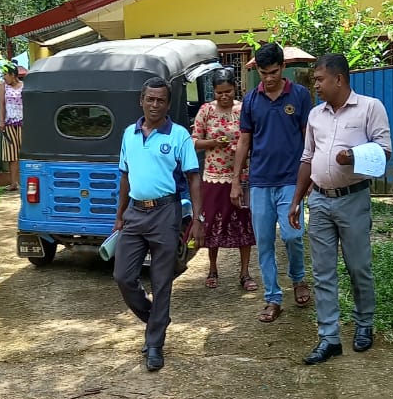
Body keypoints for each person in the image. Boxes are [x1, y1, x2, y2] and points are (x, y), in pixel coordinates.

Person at [288, 52, 392, 364]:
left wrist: (353, 157)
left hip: (353, 199)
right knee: (322, 272)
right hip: (319, 200)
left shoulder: (370, 108)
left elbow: (384, 153)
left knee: (359, 267)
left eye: (319, 80)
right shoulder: (315, 116)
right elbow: (307, 158)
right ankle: (329, 337)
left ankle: (364, 325)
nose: (315, 85)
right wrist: (297, 200)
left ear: (339, 79)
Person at [113, 76, 205, 372]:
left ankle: (154, 344)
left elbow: (193, 177)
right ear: (141, 100)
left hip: (166, 213)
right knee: (123, 277)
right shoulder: (129, 133)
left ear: (168, 104)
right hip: (135, 215)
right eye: (150, 99)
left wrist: (199, 220)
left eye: (161, 100)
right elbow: (125, 176)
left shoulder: (178, 136)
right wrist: (119, 215)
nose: (155, 105)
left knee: (161, 280)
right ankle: (157, 319)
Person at [231, 42, 312, 322]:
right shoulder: (251, 100)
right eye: (263, 73)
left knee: (292, 235)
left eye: (273, 72)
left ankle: (299, 279)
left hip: (291, 179)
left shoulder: (300, 96)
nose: (268, 78)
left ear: (284, 67)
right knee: (264, 241)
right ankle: (273, 297)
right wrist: (236, 181)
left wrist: (309, 175)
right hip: (260, 182)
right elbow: (244, 141)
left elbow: (308, 138)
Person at [192, 67, 256, 290]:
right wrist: (212, 143)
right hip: (214, 177)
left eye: (228, 91)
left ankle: (245, 273)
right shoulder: (206, 111)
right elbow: (193, 141)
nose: (224, 96)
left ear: (234, 88)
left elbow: (252, 138)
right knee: (212, 224)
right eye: (219, 93)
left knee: (244, 224)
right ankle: (212, 269)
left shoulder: (244, 109)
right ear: (214, 92)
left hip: (242, 176)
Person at [0, 63, 24, 191]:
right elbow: (2, 106)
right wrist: (1, 121)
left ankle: (25, 181)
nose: (4, 77)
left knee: (25, 153)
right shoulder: (3, 87)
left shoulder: (24, 86)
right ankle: (14, 183)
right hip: (9, 124)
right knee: (11, 155)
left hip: (24, 124)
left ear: (13, 75)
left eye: (5, 74)